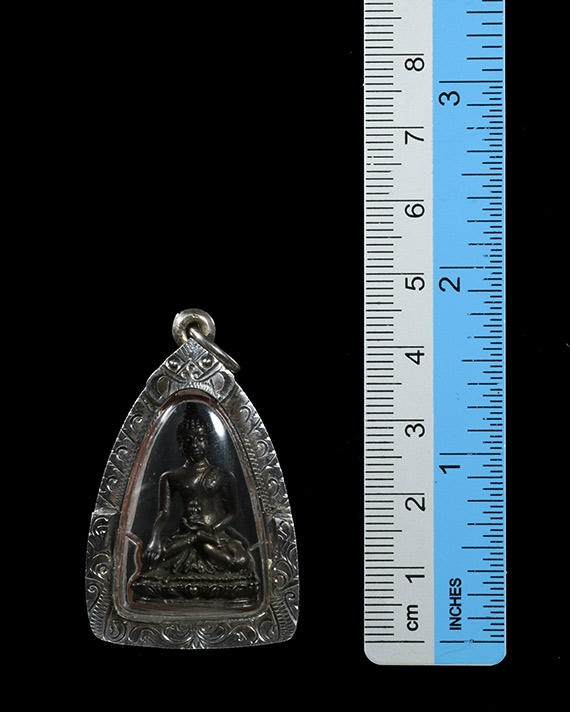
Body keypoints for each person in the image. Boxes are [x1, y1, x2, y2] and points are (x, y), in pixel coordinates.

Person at [142, 407, 254, 576]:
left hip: (215, 535)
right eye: (188, 440)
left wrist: (212, 529)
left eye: (200, 439)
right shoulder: (171, 477)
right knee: (152, 560)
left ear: (209, 441)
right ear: (180, 444)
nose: (194, 445)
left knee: (239, 560)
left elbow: (233, 513)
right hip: (186, 535)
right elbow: (163, 514)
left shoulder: (222, 475)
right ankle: (196, 539)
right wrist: (155, 539)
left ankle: (202, 540)